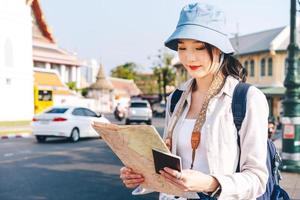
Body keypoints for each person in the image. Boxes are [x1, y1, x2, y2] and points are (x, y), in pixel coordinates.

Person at [120, 2, 269, 199]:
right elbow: (168, 168)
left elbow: (257, 179)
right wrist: (141, 176)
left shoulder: (246, 98)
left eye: (199, 48)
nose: (189, 57)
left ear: (219, 49)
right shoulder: (176, 98)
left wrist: (210, 183)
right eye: (182, 47)